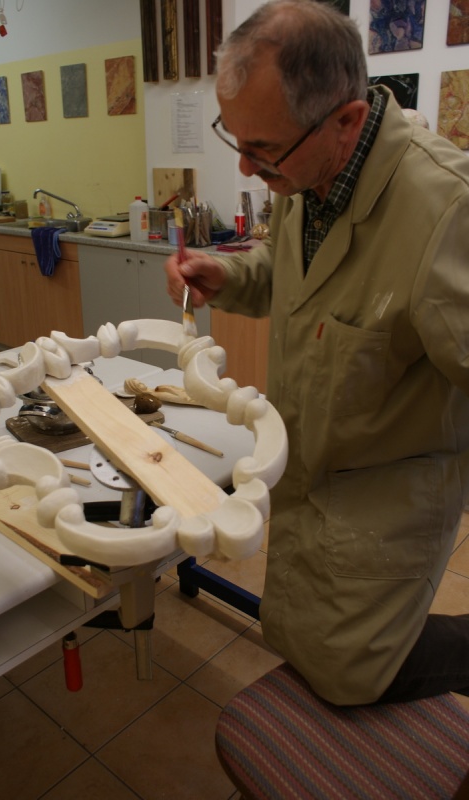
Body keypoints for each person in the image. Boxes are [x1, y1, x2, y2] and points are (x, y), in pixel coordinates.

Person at [165, 0, 469, 706]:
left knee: (349, 672)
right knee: (294, 635)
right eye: (234, 139)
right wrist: (228, 275)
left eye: (262, 149)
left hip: (387, 496)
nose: (245, 166)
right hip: (307, 470)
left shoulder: (446, 212)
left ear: (347, 121)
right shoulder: (306, 175)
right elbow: (294, 274)